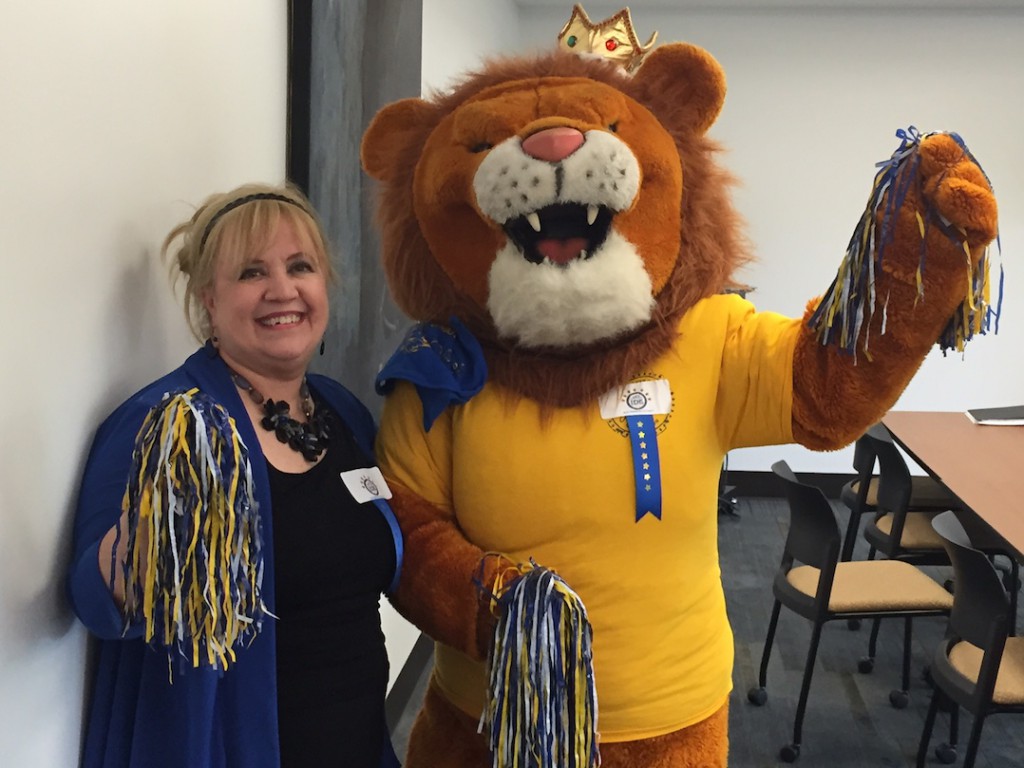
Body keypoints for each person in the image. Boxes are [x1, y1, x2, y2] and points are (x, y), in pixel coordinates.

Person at [67, 182, 403, 768]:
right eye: (251, 273)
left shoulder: (341, 410)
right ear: (209, 303)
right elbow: (95, 599)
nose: (282, 290)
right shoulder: (165, 422)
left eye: (301, 266)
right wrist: (143, 548)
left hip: (357, 739)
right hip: (230, 747)